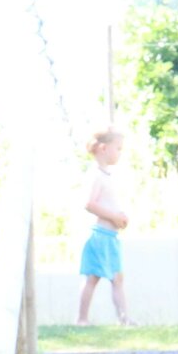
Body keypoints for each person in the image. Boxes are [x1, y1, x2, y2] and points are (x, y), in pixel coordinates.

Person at [78, 127, 132, 326]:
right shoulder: (96, 175)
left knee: (117, 278)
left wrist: (120, 217)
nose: (120, 153)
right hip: (99, 235)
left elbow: (109, 204)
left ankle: (124, 318)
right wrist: (113, 217)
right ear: (103, 148)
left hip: (111, 236)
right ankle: (82, 319)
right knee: (92, 278)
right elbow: (89, 203)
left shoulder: (107, 176)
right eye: (118, 148)